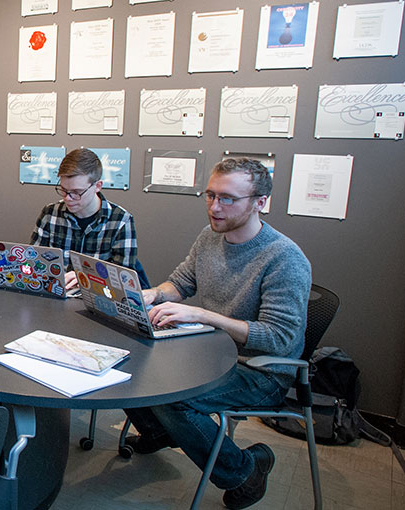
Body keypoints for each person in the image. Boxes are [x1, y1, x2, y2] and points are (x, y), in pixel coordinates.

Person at [123, 158, 311, 510]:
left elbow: (277, 339)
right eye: (210, 195)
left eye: (227, 198)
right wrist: (153, 294)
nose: (214, 206)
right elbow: (180, 283)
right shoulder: (211, 237)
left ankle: (244, 470)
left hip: (263, 370)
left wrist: (202, 315)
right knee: (128, 359)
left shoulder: (284, 258)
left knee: (173, 396)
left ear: (260, 203)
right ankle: (160, 431)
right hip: (210, 351)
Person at [28, 148, 148, 289]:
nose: (68, 198)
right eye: (64, 190)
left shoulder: (121, 221)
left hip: (98, 300)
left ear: (97, 186)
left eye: (76, 192)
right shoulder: (50, 214)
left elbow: (123, 280)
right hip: (55, 295)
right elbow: (34, 262)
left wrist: (87, 278)